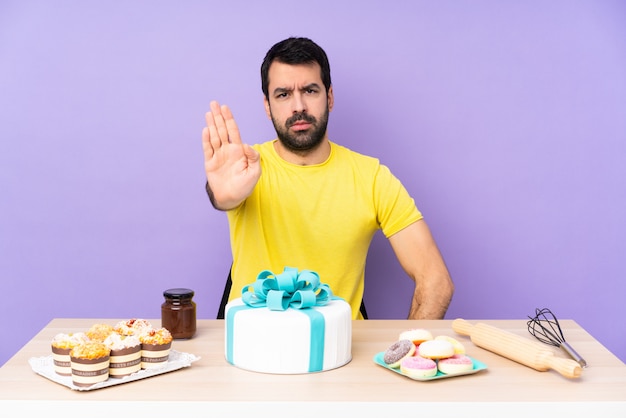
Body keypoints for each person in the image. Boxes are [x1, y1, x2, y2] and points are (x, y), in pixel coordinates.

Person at [202, 37, 454, 320]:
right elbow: (224, 194)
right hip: (252, 352)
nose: (298, 106)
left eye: (310, 90)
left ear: (330, 97)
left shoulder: (372, 178)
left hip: (340, 354)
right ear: (267, 105)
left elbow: (436, 281)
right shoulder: (245, 168)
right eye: (283, 94)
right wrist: (222, 196)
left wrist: (408, 352)